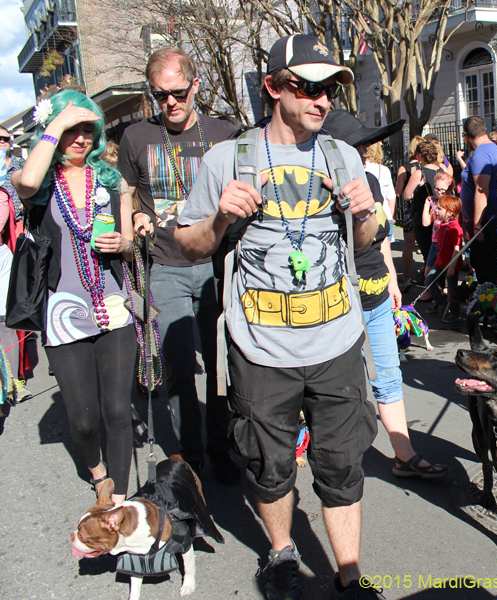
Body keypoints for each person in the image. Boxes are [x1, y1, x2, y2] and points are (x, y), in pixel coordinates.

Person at [174, 34, 381, 600]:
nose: (322, 100)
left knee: (342, 465)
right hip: (262, 348)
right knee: (271, 466)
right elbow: (190, 247)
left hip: (336, 341)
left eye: (329, 89)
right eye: (307, 87)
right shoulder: (227, 159)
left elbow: (363, 241)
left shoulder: (344, 156)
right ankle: (283, 554)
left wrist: (364, 215)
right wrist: (219, 220)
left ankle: (350, 572)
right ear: (273, 88)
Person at [121, 47, 240, 484]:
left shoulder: (225, 133)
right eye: (159, 96)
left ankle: (220, 446)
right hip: (166, 263)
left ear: (194, 86)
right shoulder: (137, 137)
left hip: (216, 263)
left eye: (176, 93)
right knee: (178, 365)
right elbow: (128, 192)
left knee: (219, 361)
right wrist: (133, 214)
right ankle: (189, 455)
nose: (169, 103)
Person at [11, 91, 137, 504]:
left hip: (113, 305)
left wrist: (122, 242)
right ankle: (98, 473)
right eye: (72, 129)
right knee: (83, 421)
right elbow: (27, 183)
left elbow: (131, 246)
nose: (81, 138)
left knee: (118, 412)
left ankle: (117, 503)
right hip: (62, 313)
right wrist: (56, 123)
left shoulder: (111, 180)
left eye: (88, 129)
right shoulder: (38, 181)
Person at [322, 108, 448, 480]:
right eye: (355, 148)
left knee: (388, 376)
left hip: (376, 296)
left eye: (363, 148)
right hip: (338, 302)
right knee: (336, 385)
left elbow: (381, 243)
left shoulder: (371, 184)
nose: (362, 155)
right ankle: (326, 455)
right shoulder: (319, 189)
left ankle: (404, 455)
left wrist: (393, 282)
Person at [0, 125, 33, 400]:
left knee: (8, 315)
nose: (1, 142)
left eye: (4, 139)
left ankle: (15, 379)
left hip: (15, 236)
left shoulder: (19, 165)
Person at [460, 116, 497, 288]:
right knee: (487, 265)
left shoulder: (481, 153)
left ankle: (492, 308)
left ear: (466, 135)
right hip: (489, 216)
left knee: (486, 268)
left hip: (485, 219)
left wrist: (477, 226)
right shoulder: (493, 149)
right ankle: (491, 306)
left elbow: (481, 190)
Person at [424, 194, 464, 321]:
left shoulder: (455, 228)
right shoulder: (442, 224)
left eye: (440, 209)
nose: (437, 210)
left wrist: (452, 267)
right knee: (428, 280)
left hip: (451, 264)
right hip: (440, 262)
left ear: (451, 213)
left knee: (452, 290)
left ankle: (454, 313)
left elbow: (456, 249)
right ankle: (442, 303)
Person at [403, 141, 441, 271]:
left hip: (423, 216)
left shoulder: (420, 173)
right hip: (440, 216)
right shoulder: (442, 169)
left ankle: (430, 283)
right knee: (439, 251)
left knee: (427, 253)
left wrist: (418, 194)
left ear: (420, 155)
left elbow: (407, 195)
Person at [420, 171, 454, 302]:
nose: (439, 192)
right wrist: (426, 205)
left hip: (447, 242)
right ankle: (435, 297)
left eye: (443, 190)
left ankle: (447, 301)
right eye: (436, 189)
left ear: (449, 189)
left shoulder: (452, 202)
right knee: (427, 273)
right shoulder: (434, 202)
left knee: (448, 274)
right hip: (435, 242)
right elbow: (425, 222)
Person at [398, 136, 424, 292]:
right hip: (423, 208)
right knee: (427, 244)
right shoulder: (426, 168)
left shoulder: (404, 168)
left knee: (408, 246)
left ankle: (406, 278)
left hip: (409, 210)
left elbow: (399, 191)